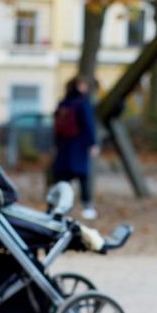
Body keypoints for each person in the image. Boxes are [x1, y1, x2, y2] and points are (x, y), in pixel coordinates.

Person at [52, 76, 100, 220]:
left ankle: (61, 207)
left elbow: (56, 126)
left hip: (64, 146)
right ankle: (87, 207)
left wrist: (56, 144)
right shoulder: (82, 103)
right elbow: (88, 123)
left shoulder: (63, 103)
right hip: (79, 145)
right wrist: (92, 143)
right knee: (83, 177)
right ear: (79, 85)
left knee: (64, 179)